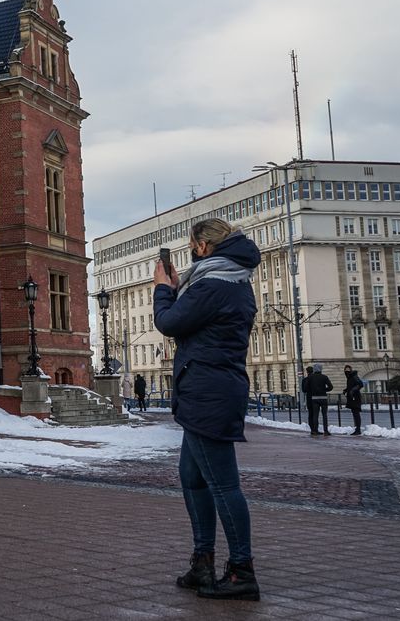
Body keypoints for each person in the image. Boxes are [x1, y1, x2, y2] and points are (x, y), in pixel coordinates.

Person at [154, 218, 261, 601]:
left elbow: (168, 323)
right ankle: (203, 562)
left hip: (208, 391)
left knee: (223, 485)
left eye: (192, 246)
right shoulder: (227, 279)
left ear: (203, 246)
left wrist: (163, 289)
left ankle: (241, 572)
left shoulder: (216, 283)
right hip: (208, 387)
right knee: (193, 476)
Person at [303, 365, 333, 436]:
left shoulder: (310, 377)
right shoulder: (324, 377)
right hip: (323, 398)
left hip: (315, 398)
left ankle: (315, 430)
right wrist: (324, 390)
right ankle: (326, 431)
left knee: (315, 415)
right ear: (321, 369)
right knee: (324, 415)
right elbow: (331, 387)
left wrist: (313, 390)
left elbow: (306, 388)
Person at [343, 365, 364, 435]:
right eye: (345, 370)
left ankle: (358, 429)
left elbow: (360, 384)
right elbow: (352, 385)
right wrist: (346, 390)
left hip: (355, 397)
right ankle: (357, 429)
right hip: (352, 397)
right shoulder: (349, 377)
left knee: (356, 413)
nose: (347, 371)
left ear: (351, 370)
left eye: (348, 370)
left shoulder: (354, 376)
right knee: (355, 413)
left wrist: (352, 391)